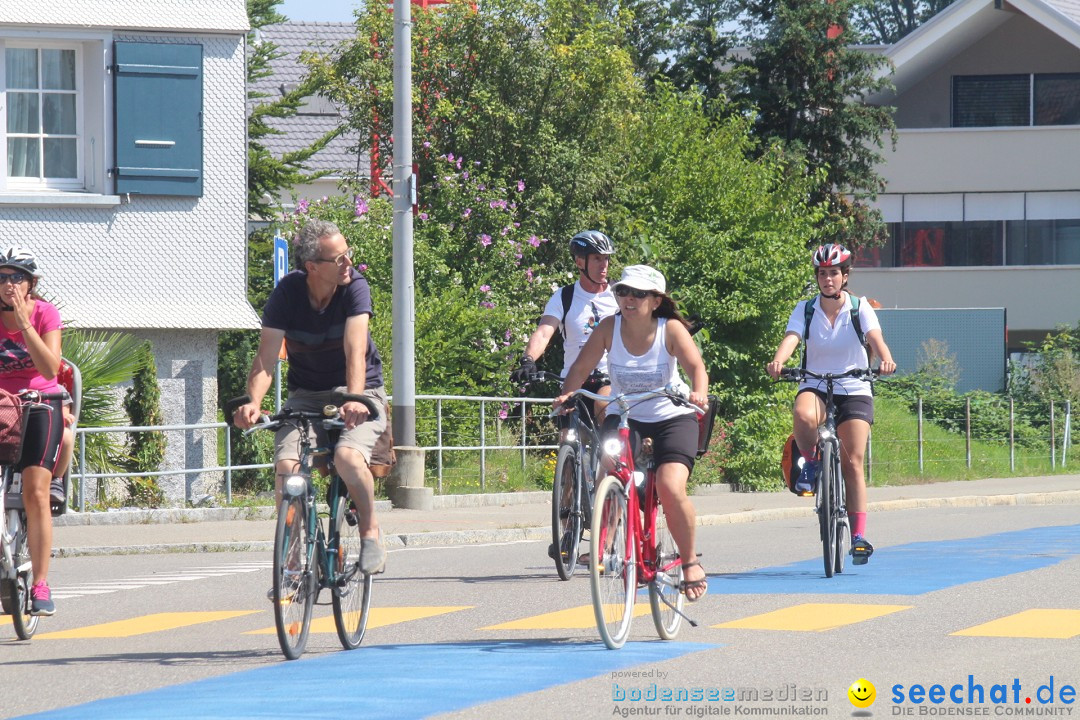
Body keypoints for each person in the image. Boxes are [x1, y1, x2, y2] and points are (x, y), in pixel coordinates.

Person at [232, 220, 389, 578]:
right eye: (340, 258)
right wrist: (253, 401)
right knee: (288, 469)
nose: (349, 262)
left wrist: (354, 398)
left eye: (348, 253)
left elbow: (355, 349)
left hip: (360, 390)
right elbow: (266, 358)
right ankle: (292, 563)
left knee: (348, 458)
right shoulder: (287, 294)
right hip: (306, 396)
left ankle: (370, 531)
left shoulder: (355, 288)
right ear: (313, 267)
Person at [554, 265, 711, 601]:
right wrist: (568, 395)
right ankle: (607, 539)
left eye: (638, 294)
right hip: (626, 416)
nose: (628, 298)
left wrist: (699, 393)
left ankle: (689, 561)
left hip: (672, 415)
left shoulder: (669, 329)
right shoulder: (609, 327)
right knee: (610, 465)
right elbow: (581, 368)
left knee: (670, 486)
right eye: (623, 291)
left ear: (655, 301)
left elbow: (697, 368)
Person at [766, 243, 896, 565]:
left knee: (853, 461)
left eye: (833, 273)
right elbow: (792, 338)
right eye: (823, 273)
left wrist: (886, 359)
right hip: (816, 382)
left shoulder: (859, 307)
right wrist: (778, 361)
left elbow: (875, 338)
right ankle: (810, 463)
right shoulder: (806, 309)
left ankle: (857, 537)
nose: (828, 279)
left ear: (845, 276)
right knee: (802, 413)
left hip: (854, 385)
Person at [0, 247, 66, 615]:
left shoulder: (44, 313)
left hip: (40, 402)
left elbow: (51, 367)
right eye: (2, 277)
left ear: (31, 284)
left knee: (35, 491)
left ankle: (41, 583)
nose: (8, 284)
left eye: (17, 277)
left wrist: (24, 322)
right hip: (1, 404)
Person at [510, 230, 618, 404]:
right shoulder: (564, 296)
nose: (604, 264)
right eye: (597, 258)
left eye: (606, 258)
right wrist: (528, 360)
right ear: (579, 262)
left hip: (610, 379)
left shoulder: (619, 294)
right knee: (567, 432)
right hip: (573, 381)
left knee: (603, 405)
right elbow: (544, 333)